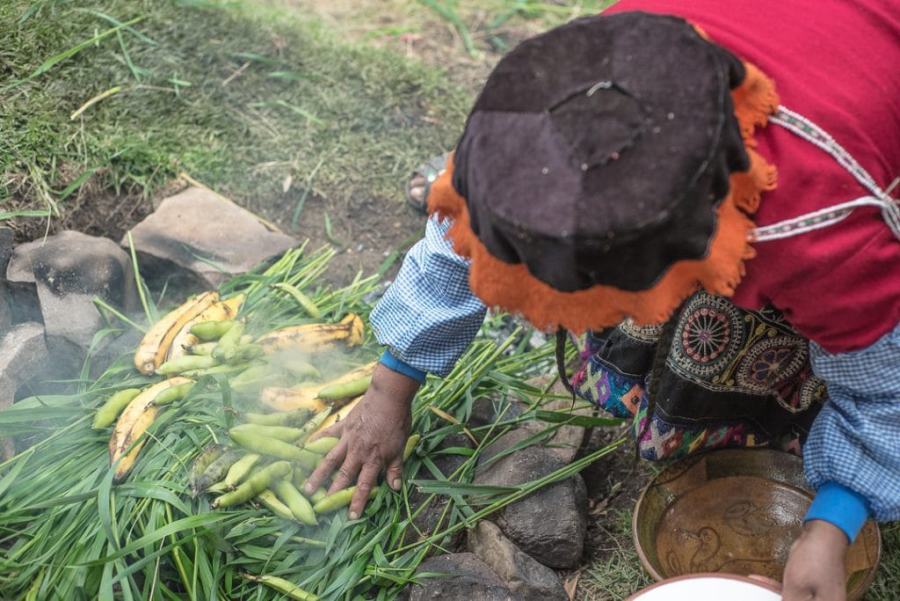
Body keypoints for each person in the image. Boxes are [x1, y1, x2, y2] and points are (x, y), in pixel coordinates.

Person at [303, 1, 900, 599]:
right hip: (793, 44)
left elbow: (884, 387)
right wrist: (391, 386)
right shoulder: (558, 102)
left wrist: (832, 522)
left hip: (853, 116)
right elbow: (461, 233)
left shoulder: (817, 231)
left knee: (756, 330)